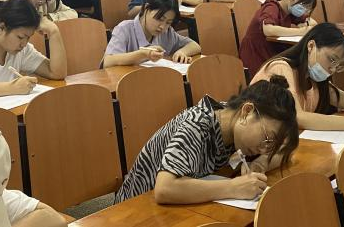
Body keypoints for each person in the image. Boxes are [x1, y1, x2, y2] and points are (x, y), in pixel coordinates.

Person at [115, 78, 299, 204]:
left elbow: (286, 151)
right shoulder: (197, 125)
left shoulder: (231, 120)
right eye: (268, 138)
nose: (265, 148)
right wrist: (233, 187)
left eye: (271, 144)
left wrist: (260, 163)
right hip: (134, 210)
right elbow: (164, 189)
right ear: (247, 112)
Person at [250, 23, 344, 133]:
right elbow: (297, 117)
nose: (333, 69)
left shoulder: (316, 81)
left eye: (339, 66)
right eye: (332, 59)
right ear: (311, 46)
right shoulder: (280, 68)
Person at [103, 0, 201, 67]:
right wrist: (143, 54)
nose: (162, 27)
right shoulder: (124, 29)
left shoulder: (167, 33)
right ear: (146, 9)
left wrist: (181, 52)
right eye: (159, 19)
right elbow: (108, 62)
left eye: (168, 22)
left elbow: (195, 46)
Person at [238, 0, 317, 72]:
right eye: (303, 5)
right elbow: (268, 30)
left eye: (307, 8)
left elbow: (313, 23)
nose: (304, 10)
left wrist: (303, 24)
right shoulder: (272, 7)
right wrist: (301, 31)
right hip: (256, 53)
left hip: (271, 51)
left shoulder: (290, 12)